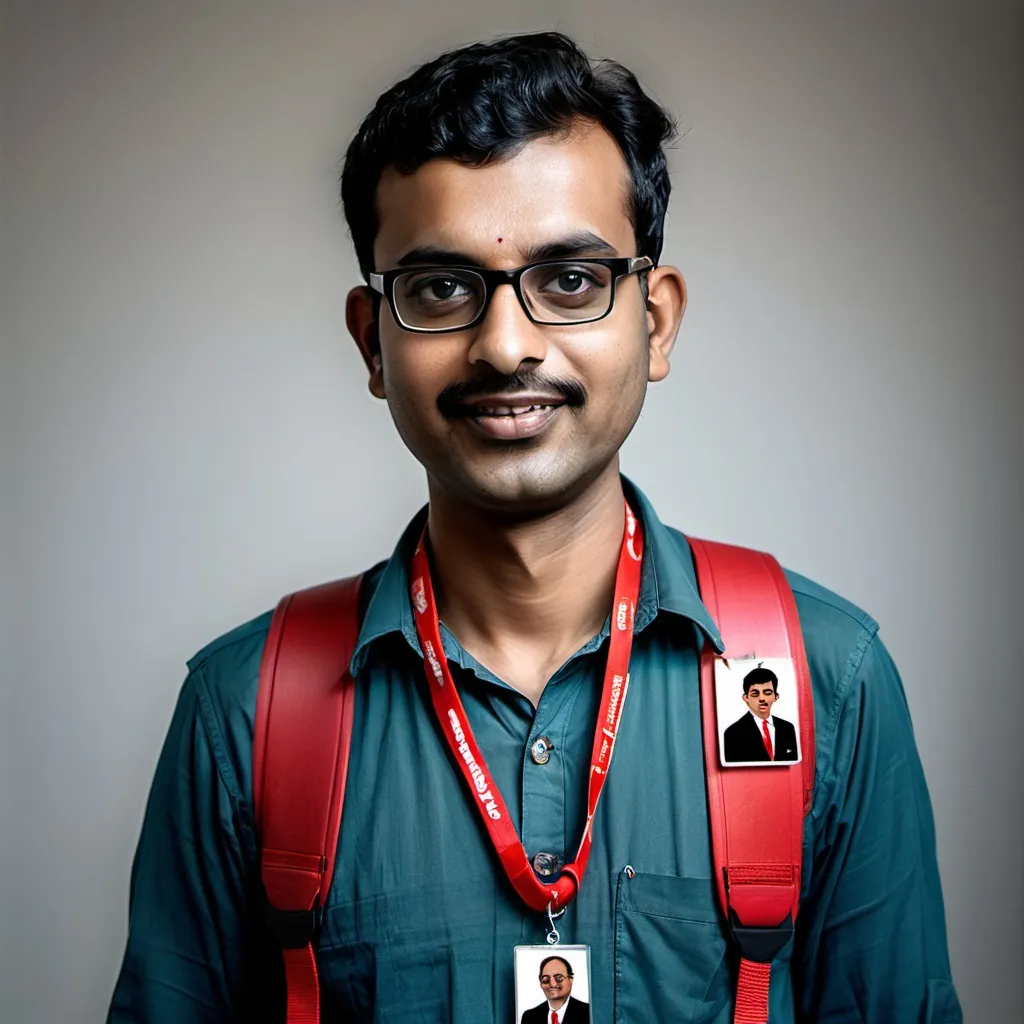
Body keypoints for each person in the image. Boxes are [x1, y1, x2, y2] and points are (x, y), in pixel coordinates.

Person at [107, 31, 962, 1023]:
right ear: (370, 342)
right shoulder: (244, 713)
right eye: (438, 288)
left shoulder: (828, 680)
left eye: (569, 280)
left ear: (657, 319)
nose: (505, 345)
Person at [723, 665, 798, 762]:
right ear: (746, 698)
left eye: (767, 693)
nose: (762, 698)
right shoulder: (732, 733)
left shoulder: (788, 728)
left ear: (776, 696)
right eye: (755, 694)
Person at [520, 955, 590, 1023]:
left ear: (570, 980)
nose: (552, 984)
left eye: (559, 978)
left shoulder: (589, 1012)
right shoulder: (529, 1017)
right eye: (546, 979)